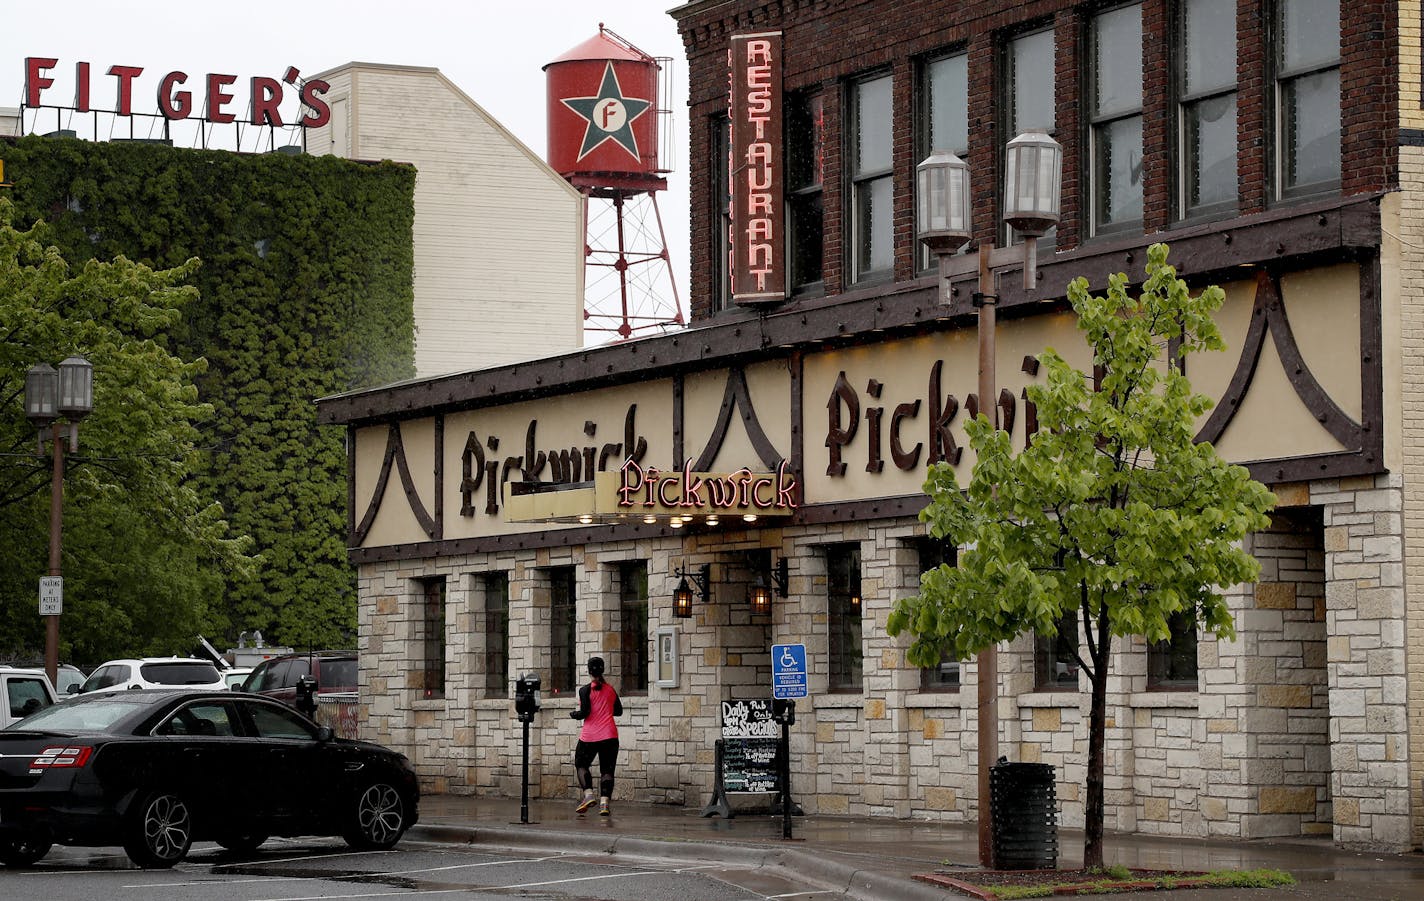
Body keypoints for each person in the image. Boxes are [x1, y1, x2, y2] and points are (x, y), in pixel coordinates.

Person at [569, 655, 622, 816]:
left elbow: (585, 712)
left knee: (581, 764)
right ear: (602, 670)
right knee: (607, 770)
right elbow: (619, 711)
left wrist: (574, 714)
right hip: (610, 736)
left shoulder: (585, 690)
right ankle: (604, 804)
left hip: (590, 737)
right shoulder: (611, 690)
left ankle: (589, 795)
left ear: (589, 671)